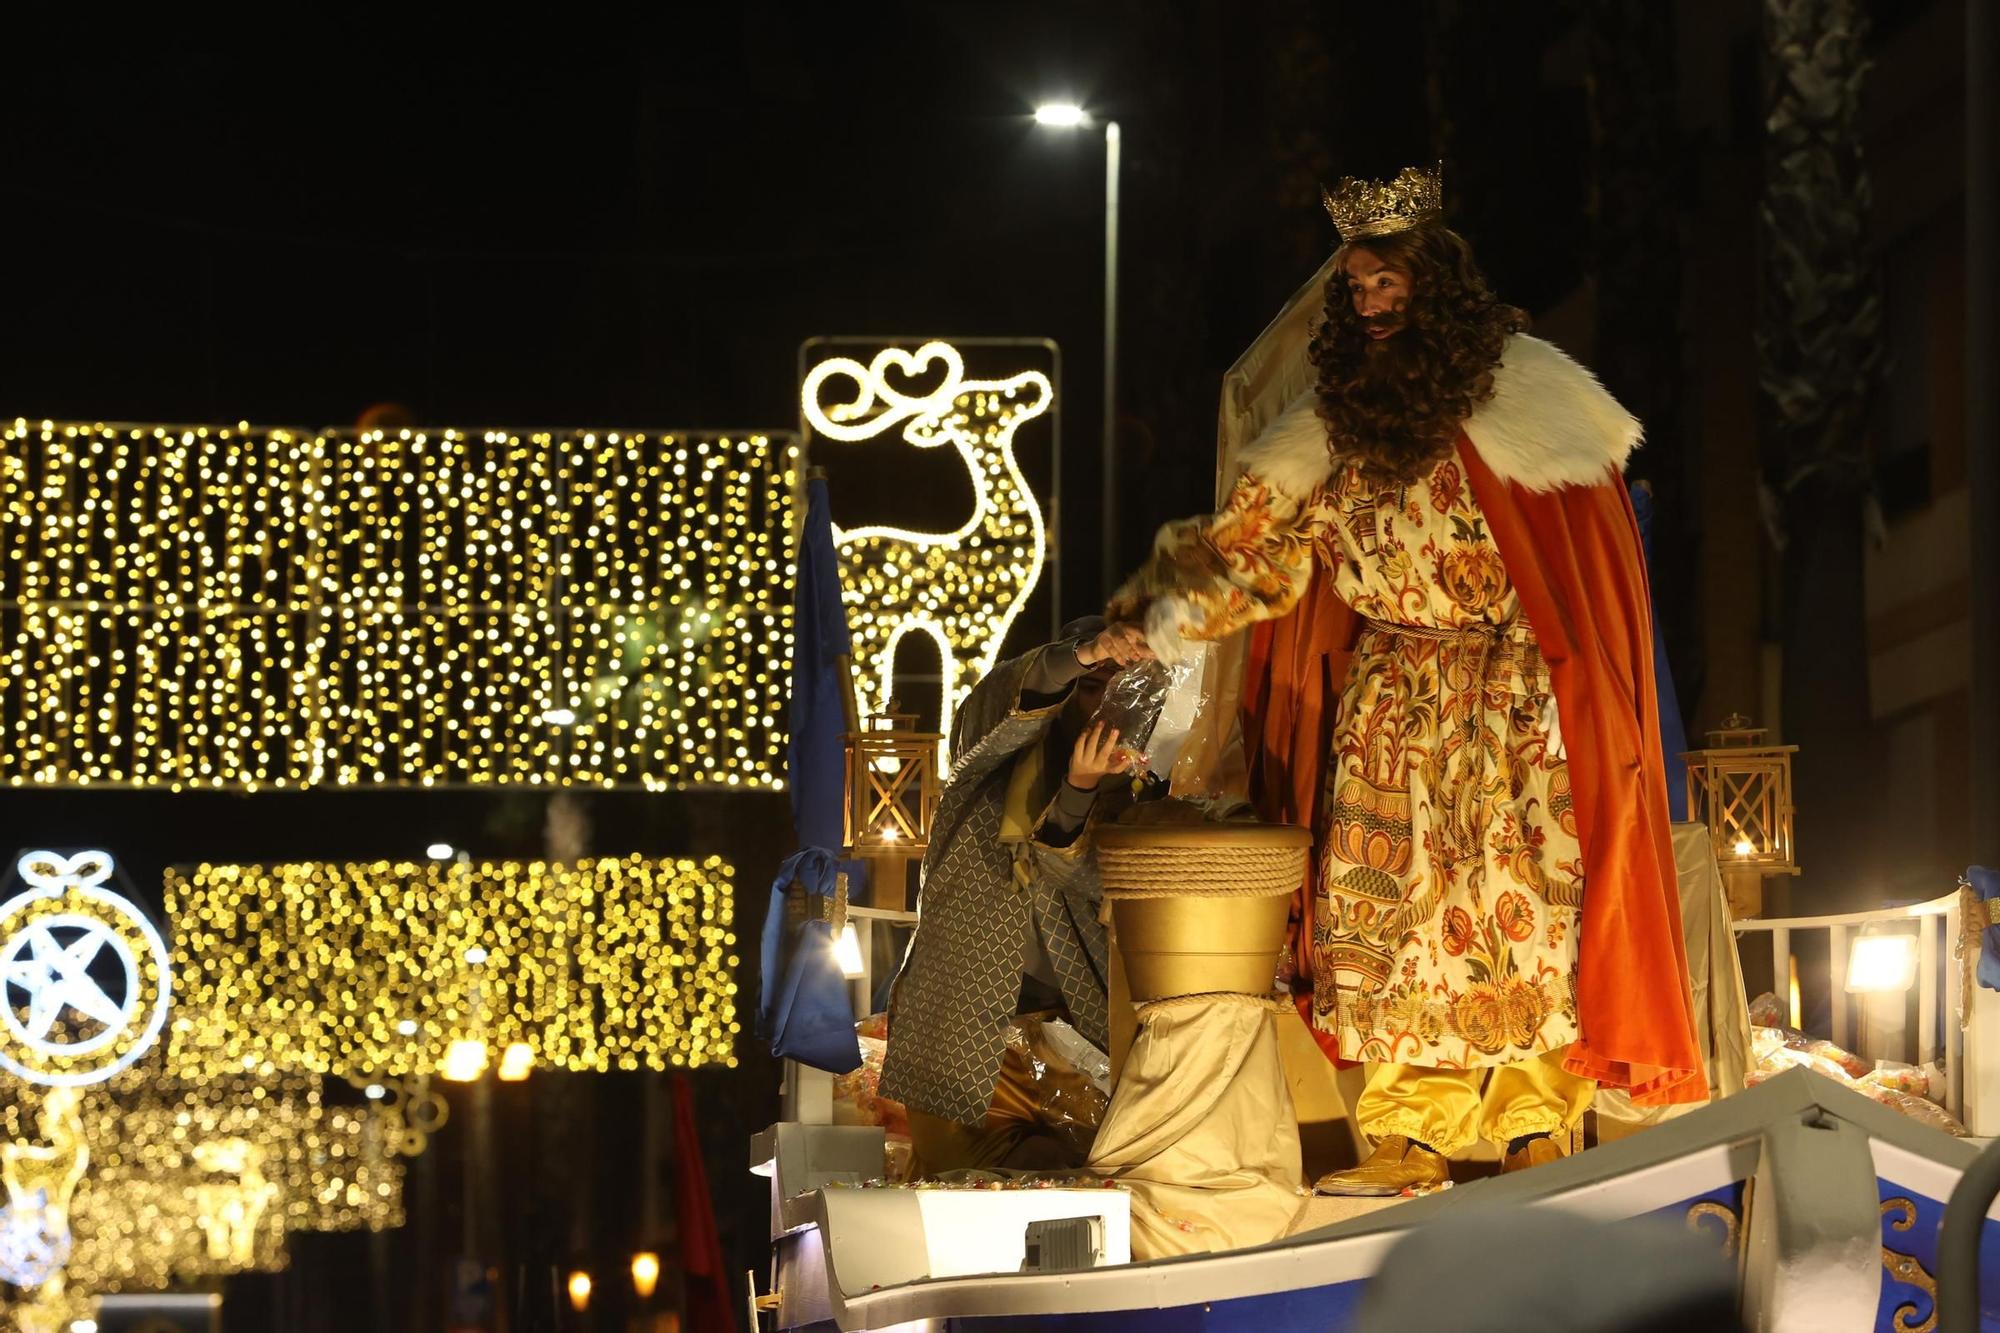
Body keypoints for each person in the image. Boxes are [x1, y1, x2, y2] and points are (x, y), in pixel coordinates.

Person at [1110, 163, 1704, 1195]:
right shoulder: (1330, 427)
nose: (1369, 301)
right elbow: (1255, 552)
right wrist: (1157, 617)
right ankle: (1407, 1126)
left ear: (1432, 282)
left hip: (1515, 694)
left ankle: (1531, 1118)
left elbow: (1588, 576)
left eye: (1385, 282)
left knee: (1527, 902)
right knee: (1387, 913)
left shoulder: (1532, 402)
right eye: (1354, 287)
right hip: (1391, 695)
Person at [878, 617, 1155, 1176]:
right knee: (960, 1196)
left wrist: (1081, 790)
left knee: (1081, 1196)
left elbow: (1091, 879)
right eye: (1092, 687)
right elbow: (999, 704)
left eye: (1119, 692)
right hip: (957, 1026)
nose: (1103, 709)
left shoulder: (1137, 786)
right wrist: (1085, 653)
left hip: (1073, 1036)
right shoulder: (991, 761)